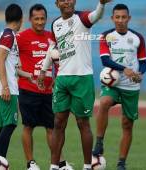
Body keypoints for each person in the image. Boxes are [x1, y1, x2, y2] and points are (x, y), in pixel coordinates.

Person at [38, 0, 112, 169]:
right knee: (58, 122)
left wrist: (101, 4)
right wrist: (44, 70)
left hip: (82, 78)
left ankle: (87, 166)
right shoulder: (55, 24)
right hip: (62, 78)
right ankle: (54, 166)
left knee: (82, 123)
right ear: (57, 3)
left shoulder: (82, 18)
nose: (67, 2)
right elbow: (53, 50)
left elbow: (96, 15)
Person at [16, 4, 72, 170]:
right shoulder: (21, 37)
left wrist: (58, 77)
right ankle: (31, 163)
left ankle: (59, 163)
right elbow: (6, 56)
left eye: (42, 19)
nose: (40, 22)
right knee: (28, 126)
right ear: (30, 19)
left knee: (52, 128)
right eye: (36, 19)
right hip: (28, 89)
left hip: (49, 91)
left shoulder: (51, 37)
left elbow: (60, 60)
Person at [92, 4, 146, 170]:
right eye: (118, 17)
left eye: (124, 17)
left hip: (131, 87)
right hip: (113, 83)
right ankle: (99, 142)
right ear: (112, 18)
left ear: (129, 18)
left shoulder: (138, 38)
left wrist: (140, 74)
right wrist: (125, 69)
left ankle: (121, 163)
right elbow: (105, 60)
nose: (121, 20)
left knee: (127, 124)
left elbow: (143, 63)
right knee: (104, 102)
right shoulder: (106, 36)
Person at [0, 3, 22, 159]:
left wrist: (26, 75)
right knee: (10, 125)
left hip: (0, 85)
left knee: (4, 125)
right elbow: (0, 60)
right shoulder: (9, 36)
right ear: (20, 20)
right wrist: (5, 87)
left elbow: (7, 63)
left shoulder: (4, 35)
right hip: (6, 87)